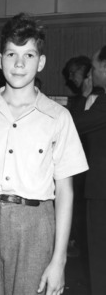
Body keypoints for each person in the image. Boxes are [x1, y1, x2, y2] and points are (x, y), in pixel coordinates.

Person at [0, 13, 88, 295]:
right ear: (0, 60)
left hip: (35, 225)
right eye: (12, 53)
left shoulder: (58, 118)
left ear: (41, 62)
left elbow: (65, 192)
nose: (20, 63)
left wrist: (59, 260)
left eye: (29, 55)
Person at [72, 45, 106, 295]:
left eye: (93, 69)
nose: (90, 76)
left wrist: (84, 96)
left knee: (99, 260)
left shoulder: (103, 101)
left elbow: (75, 124)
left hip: (101, 192)